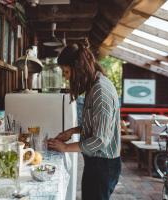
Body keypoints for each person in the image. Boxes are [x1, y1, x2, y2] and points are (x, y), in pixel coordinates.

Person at [48, 40, 121, 200]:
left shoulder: (100, 92)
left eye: (66, 72)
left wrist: (65, 148)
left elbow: (100, 140)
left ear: (78, 69)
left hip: (102, 166)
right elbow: (97, 126)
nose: (66, 78)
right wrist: (72, 131)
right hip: (96, 163)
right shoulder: (94, 85)